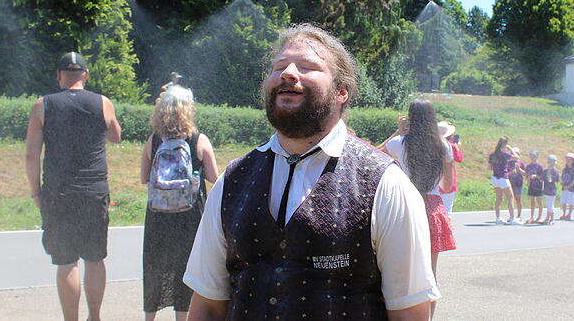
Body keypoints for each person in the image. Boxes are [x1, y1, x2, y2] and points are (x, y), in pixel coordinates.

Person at [184, 24, 439, 320]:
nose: (288, 73)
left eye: (307, 67)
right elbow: (208, 304)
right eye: (279, 66)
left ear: (341, 91)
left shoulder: (387, 184)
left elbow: (410, 313)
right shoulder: (233, 180)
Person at [25, 52, 122, 321]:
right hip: (94, 191)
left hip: (58, 193)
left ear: (59, 76)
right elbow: (116, 136)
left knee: (66, 261)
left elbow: (31, 155)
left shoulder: (42, 105)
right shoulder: (102, 102)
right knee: (94, 258)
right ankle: (95, 316)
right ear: (86, 75)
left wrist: (36, 192)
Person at [141, 86, 219, 321]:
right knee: (186, 268)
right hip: (190, 217)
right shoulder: (198, 140)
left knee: (155, 267)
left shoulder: (154, 140)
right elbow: (215, 177)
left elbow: (144, 178)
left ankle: (149, 317)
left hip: (158, 216)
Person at [381, 100, 456, 320]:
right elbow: (447, 186)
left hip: (405, 206)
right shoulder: (444, 145)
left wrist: (398, 131)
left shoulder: (399, 143)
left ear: (410, 118)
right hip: (433, 208)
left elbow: (373, 153)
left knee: (398, 270)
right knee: (430, 274)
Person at [489, 137, 522, 225]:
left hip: (495, 178)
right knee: (511, 197)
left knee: (498, 198)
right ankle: (512, 218)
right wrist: (510, 148)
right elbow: (516, 157)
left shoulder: (492, 154)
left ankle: (498, 218)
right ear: (504, 145)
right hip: (503, 177)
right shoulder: (504, 154)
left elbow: (489, 167)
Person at [437, 121, 461, 215]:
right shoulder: (450, 146)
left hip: (435, 182)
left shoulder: (432, 145)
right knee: (447, 211)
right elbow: (459, 158)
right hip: (448, 180)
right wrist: (457, 147)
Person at [524, 150, 544, 224]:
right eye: (531, 156)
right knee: (532, 201)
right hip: (531, 185)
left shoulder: (540, 166)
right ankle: (531, 217)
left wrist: (535, 176)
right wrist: (528, 181)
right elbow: (527, 175)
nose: (532, 158)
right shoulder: (528, 166)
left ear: (537, 157)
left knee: (539, 201)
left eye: (534, 156)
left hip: (538, 185)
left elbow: (542, 177)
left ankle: (539, 217)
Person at [508, 149, 527, 221]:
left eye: (516, 153)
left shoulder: (521, 163)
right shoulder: (508, 163)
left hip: (518, 183)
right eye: (512, 153)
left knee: (518, 199)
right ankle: (512, 216)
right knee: (511, 199)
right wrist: (510, 172)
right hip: (510, 183)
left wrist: (519, 169)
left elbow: (525, 174)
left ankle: (519, 215)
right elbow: (505, 173)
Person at [559, 153, 574, 221]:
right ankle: (564, 214)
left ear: (573, 161)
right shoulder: (565, 169)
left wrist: (569, 186)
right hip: (564, 187)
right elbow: (562, 177)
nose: (567, 161)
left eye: (569, 159)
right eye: (566, 159)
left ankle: (569, 214)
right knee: (563, 201)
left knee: (570, 202)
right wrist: (562, 184)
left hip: (571, 188)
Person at [541, 155, 559, 225]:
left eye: (552, 162)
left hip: (551, 190)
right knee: (549, 205)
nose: (551, 163)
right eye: (550, 162)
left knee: (550, 205)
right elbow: (542, 179)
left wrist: (550, 178)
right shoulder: (545, 171)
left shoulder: (555, 172)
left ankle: (552, 219)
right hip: (546, 189)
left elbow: (556, 180)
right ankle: (547, 218)